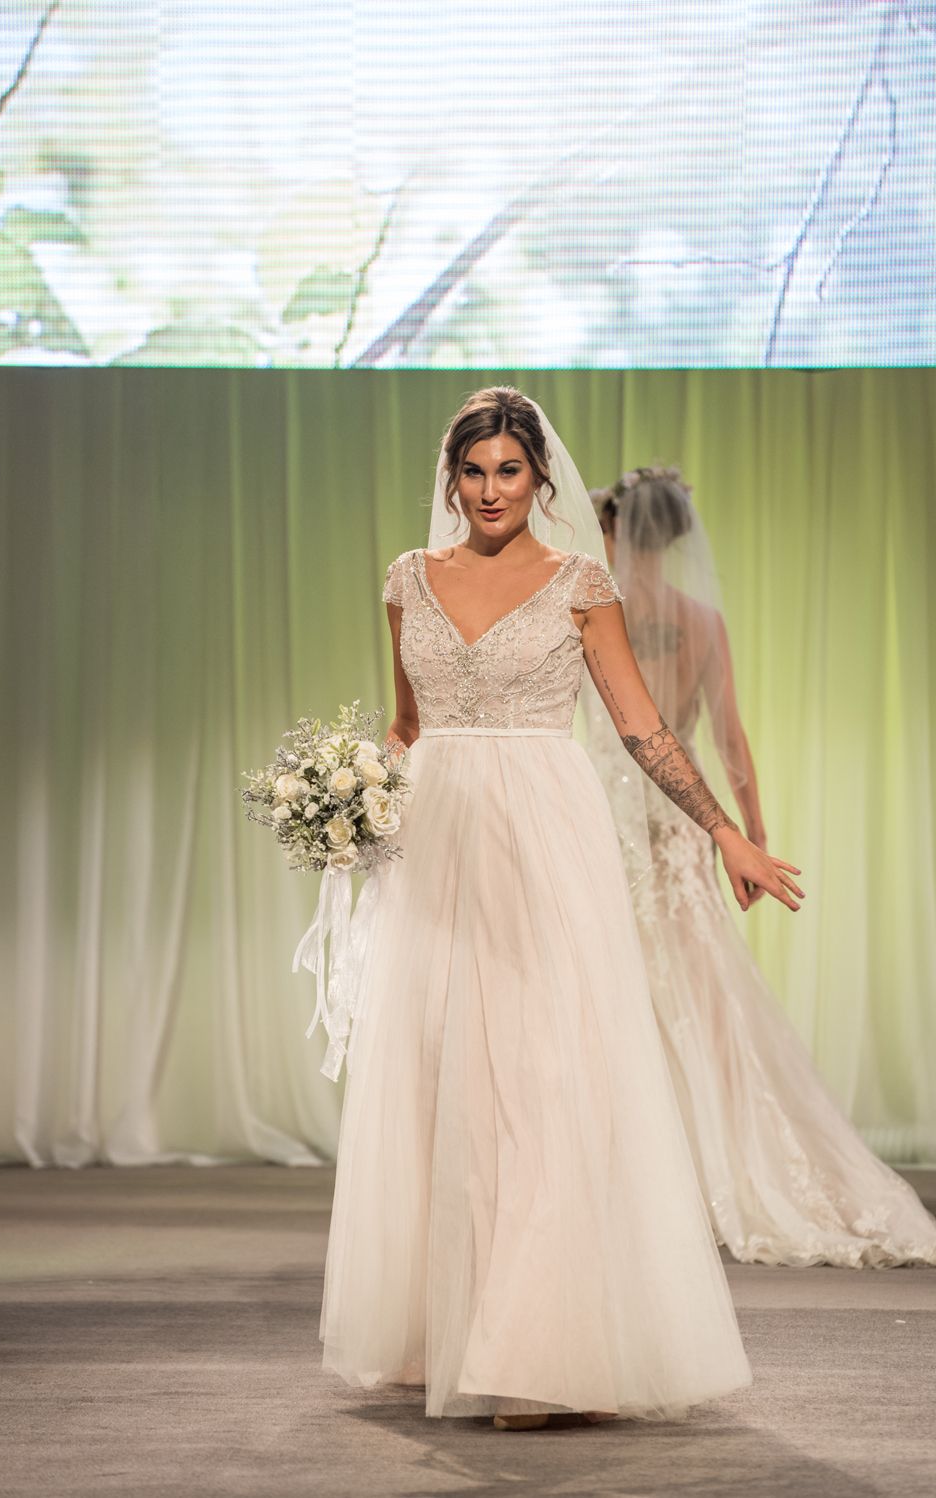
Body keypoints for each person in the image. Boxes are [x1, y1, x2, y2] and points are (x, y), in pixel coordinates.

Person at [319, 388, 803, 1430]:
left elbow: (641, 726)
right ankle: (445, 1329)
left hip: (542, 836)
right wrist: (345, 799)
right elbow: (407, 724)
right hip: (435, 846)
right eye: (473, 470)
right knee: (442, 1076)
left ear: (541, 477)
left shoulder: (580, 583)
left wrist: (725, 832)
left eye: (509, 470)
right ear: (450, 478)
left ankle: (535, 1352)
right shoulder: (408, 579)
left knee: (540, 1079)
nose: (490, 490)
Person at [589, 468, 936, 1268]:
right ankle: (724, 1159)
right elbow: (728, 738)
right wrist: (749, 833)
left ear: (614, 532)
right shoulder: (700, 620)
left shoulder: (596, 613)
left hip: (607, 808)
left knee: (623, 984)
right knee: (703, 992)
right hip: (686, 816)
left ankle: (636, 1174)